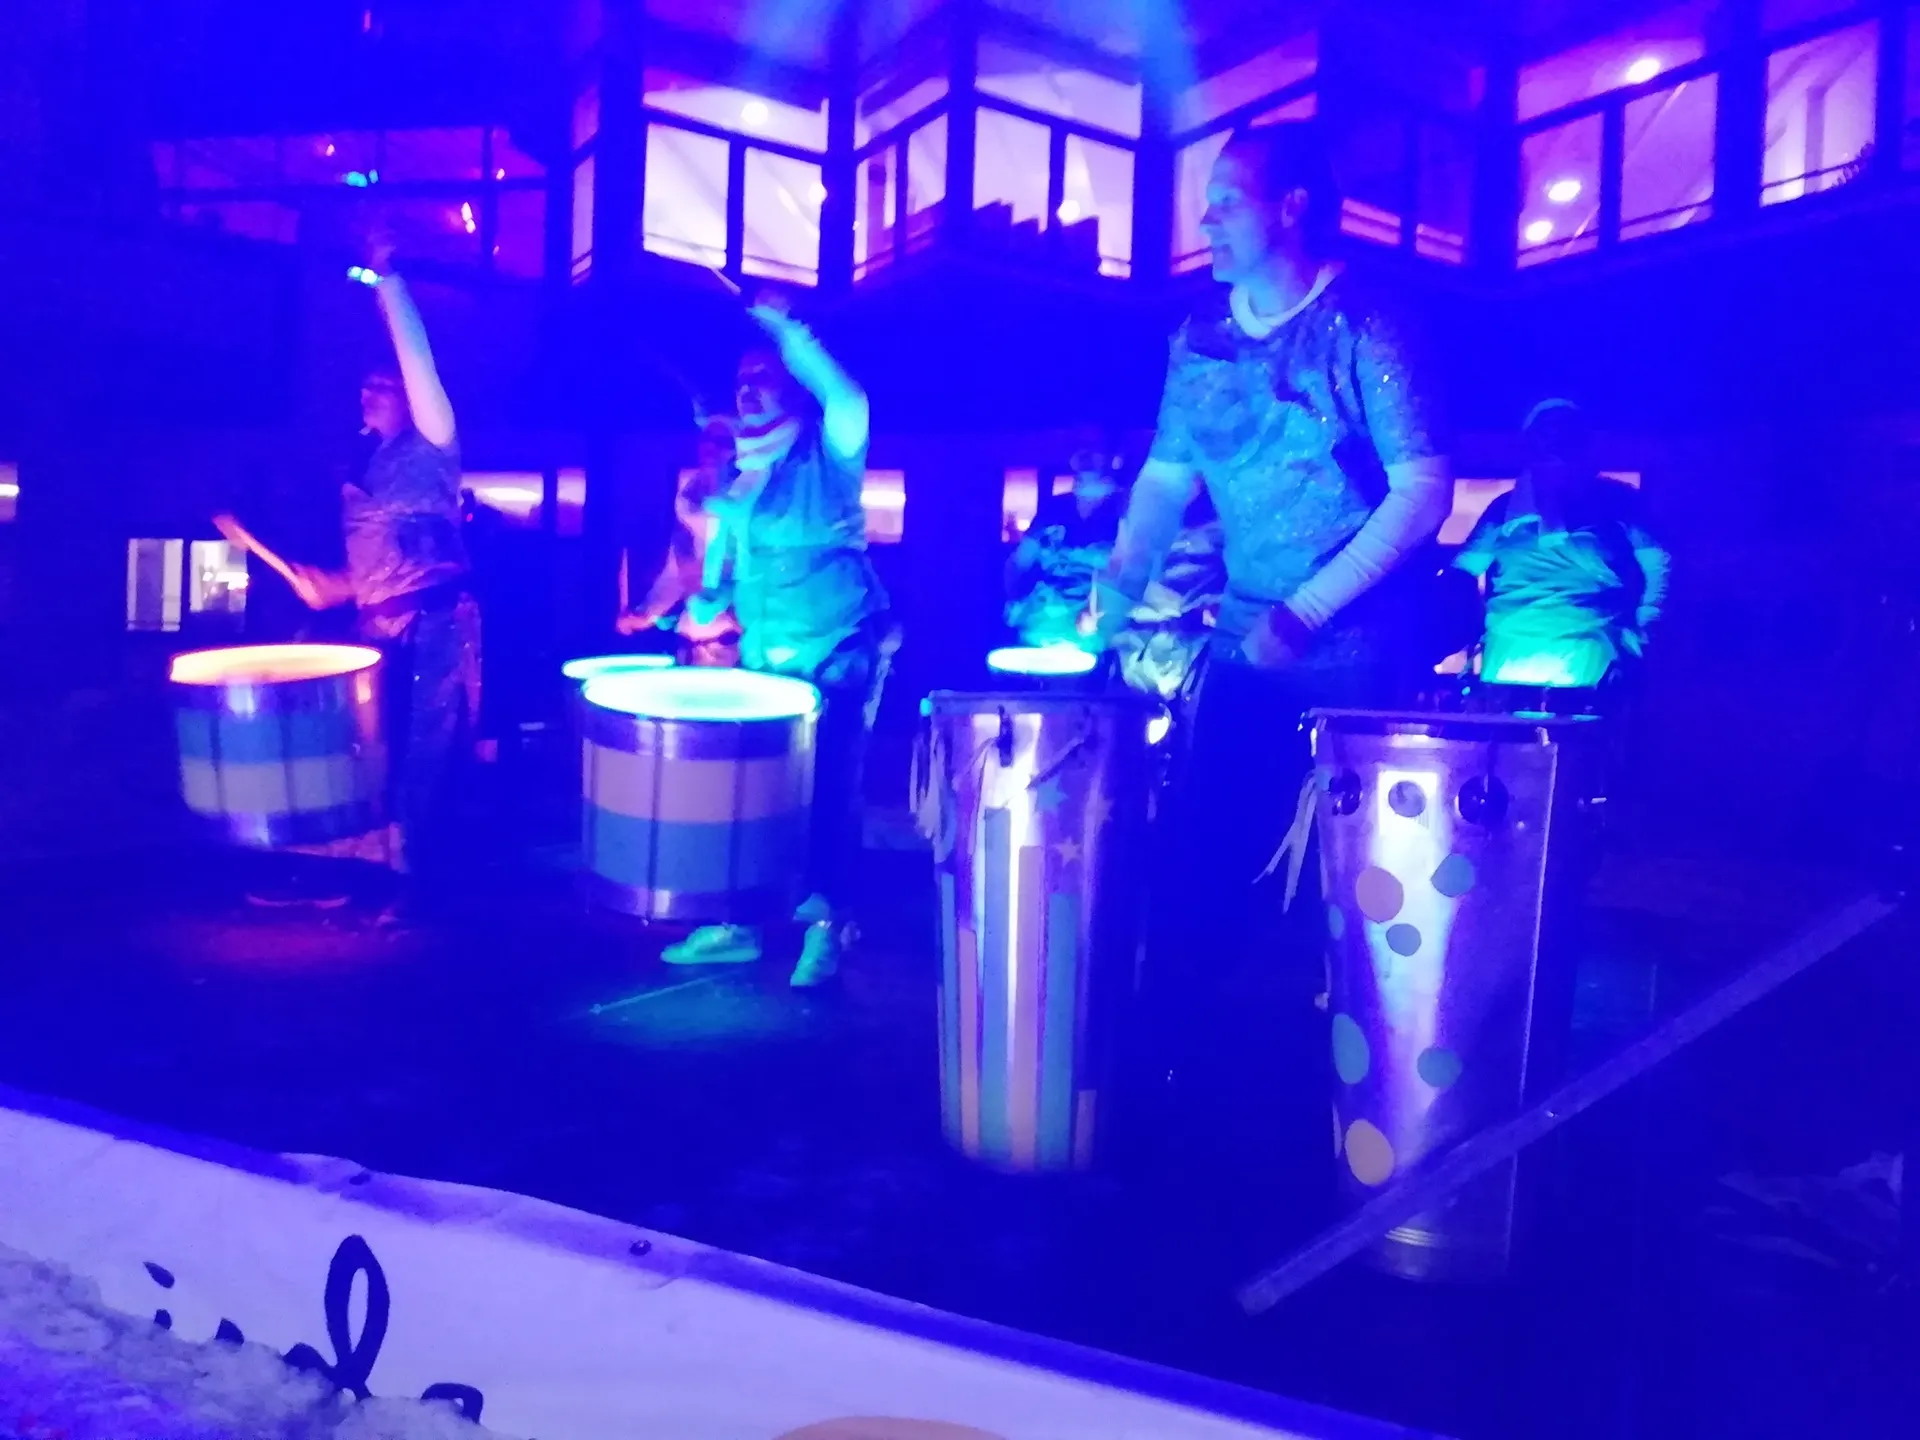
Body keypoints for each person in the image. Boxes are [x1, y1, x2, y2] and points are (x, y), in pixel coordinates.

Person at [1086, 121, 1452, 1233]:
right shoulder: (1198, 340)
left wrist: (1307, 612)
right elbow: (1166, 478)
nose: (1204, 219)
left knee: (1350, 902)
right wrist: (1116, 586)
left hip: (1356, 660)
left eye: (1227, 199)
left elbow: (1423, 489)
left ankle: (1359, 1131)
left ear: (1291, 205)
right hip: (1249, 653)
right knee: (1205, 869)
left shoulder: (1365, 325)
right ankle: (1163, 1107)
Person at [223, 237, 481, 911]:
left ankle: (405, 882)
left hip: (432, 625)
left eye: (381, 386)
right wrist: (331, 584)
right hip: (380, 623)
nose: (367, 395)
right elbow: (377, 565)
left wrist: (389, 283)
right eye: (364, 387)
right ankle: (351, 869)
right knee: (362, 749)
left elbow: (419, 362)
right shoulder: (364, 464)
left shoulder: (433, 442)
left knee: (419, 749)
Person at [663, 295, 896, 987]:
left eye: (763, 374)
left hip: (837, 647)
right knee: (759, 790)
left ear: (793, 384)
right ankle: (740, 920)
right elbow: (737, 564)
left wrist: (789, 330)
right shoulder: (744, 474)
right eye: (742, 377)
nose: (748, 386)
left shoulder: (832, 452)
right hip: (768, 659)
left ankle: (828, 926)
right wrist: (708, 601)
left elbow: (849, 397)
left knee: (828, 789)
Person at [1455, 399, 1670, 696]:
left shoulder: (1620, 501)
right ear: (1530, 441)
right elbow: (1462, 571)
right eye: (1546, 429)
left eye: (1564, 429)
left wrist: (1646, 629)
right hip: (1509, 656)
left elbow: (1659, 564)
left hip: (1595, 654)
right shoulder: (1502, 510)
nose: (1555, 437)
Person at [616, 416, 741, 666]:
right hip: (690, 635)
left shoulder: (746, 495)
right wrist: (648, 612)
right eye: (707, 439)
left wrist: (735, 609)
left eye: (722, 441)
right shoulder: (688, 494)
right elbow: (677, 570)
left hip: (730, 633)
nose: (711, 447)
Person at [1004, 429, 1127, 648]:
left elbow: (1139, 574)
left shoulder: (1128, 509)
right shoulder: (1053, 507)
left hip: (1100, 631)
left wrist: (1102, 611)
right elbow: (1018, 563)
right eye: (1079, 446)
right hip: (1040, 622)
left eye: (1094, 447)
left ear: (1114, 457)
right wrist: (1013, 601)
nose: (1084, 453)